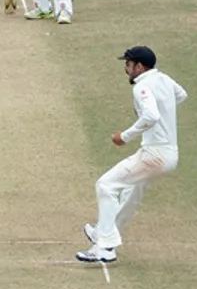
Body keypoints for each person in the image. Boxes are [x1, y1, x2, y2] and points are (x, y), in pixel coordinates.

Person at [77, 47, 188, 263]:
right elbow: (181, 95)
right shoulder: (163, 79)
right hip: (170, 155)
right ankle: (102, 233)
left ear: (140, 66)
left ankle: (106, 247)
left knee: (106, 185)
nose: (125, 68)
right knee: (131, 194)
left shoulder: (142, 87)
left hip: (154, 155)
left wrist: (124, 137)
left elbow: (151, 116)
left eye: (128, 64)